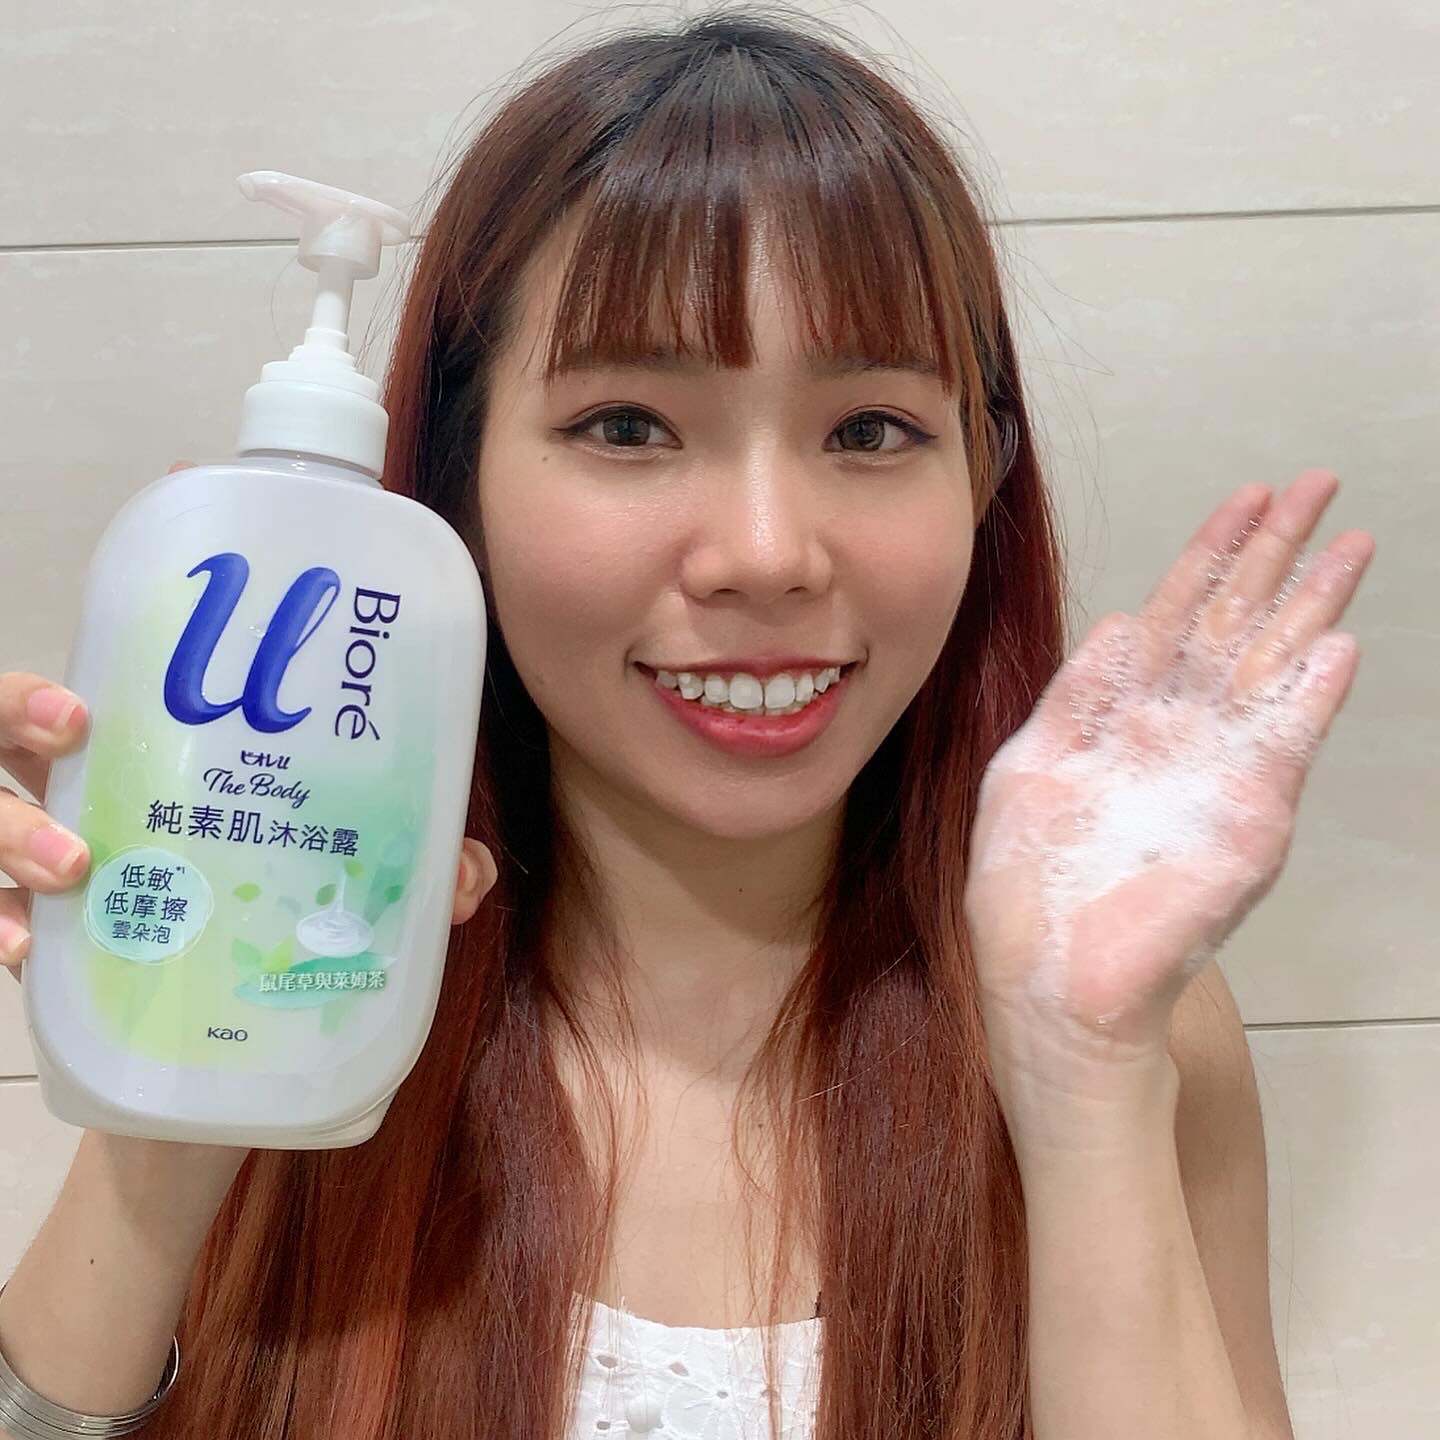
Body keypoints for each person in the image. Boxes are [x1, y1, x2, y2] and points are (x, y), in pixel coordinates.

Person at [2, 5, 1365, 1438]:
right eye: (628, 426)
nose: (767, 553)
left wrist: (1083, 1085)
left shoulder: (1133, 1021)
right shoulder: (304, 984)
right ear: (454, 483)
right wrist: (174, 1064)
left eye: (870, 431)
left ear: (983, 476)